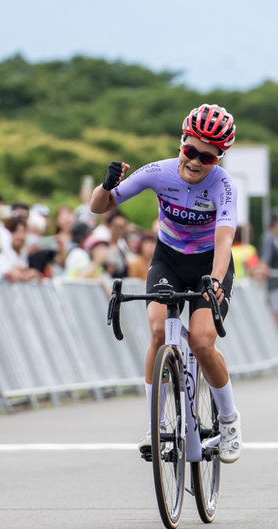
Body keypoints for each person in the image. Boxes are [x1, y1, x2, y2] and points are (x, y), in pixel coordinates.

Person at [89, 103, 243, 464]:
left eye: (206, 157)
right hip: (168, 259)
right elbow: (100, 207)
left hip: (209, 264)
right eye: (190, 150)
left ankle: (230, 421)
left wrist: (216, 282)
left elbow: (224, 242)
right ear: (181, 142)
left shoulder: (224, 186)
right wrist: (106, 184)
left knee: (204, 342)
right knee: (158, 331)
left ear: (218, 160)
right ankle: (155, 425)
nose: (195, 161)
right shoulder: (157, 173)